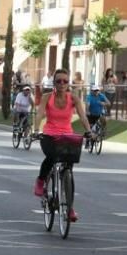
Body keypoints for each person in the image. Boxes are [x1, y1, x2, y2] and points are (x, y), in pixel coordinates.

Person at [33, 68, 92, 222]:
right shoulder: (47, 97)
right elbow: (39, 114)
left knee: (69, 170)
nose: (62, 84)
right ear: (54, 83)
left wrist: (89, 131)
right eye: (58, 81)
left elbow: (83, 116)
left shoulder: (74, 99)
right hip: (49, 135)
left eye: (65, 81)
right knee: (52, 156)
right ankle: (41, 180)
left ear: (68, 83)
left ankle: (70, 208)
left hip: (67, 135)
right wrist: (35, 129)